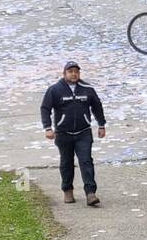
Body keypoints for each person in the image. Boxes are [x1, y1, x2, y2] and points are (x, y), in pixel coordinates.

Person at [40, 60, 105, 207]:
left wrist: (101, 125)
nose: (74, 74)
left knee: (86, 161)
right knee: (66, 163)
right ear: (64, 74)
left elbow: (97, 106)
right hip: (63, 133)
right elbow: (45, 108)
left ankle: (90, 193)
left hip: (83, 132)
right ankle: (67, 190)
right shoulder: (55, 90)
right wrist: (48, 128)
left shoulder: (87, 88)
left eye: (76, 71)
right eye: (70, 71)